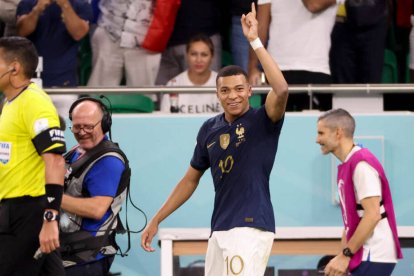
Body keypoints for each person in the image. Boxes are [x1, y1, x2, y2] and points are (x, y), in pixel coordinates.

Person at [141, 4, 289, 275]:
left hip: (250, 227)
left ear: (249, 91)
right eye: (225, 90)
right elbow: (190, 180)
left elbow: (281, 88)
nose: (232, 95)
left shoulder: (263, 120)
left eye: (238, 89)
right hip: (219, 229)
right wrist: (157, 218)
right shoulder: (209, 128)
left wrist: (254, 40)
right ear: (217, 94)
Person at [0, 36, 66, 275]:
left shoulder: (34, 102)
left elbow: (56, 160)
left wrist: (50, 219)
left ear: (14, 67)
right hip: (15, 211)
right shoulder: (11, 103)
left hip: (26, 213)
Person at [316, 108, 403, 275]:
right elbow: (350, 222)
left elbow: (372, 215)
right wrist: (342, 256)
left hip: (374, 254)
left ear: (338, 133)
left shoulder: (362, 165)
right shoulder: (348, 164)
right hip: (364, 255)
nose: (317, 139)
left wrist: (345, 255)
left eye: (321, 133)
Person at [60, 97, 130, 275]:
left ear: (104, 124)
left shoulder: (108, 161)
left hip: (87, 259)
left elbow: (96, 209)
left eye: (88, 127)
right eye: (77, 127)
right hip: (68, 254)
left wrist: (51, 197)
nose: (82, 132)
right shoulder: (75, 152)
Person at [249, 0, 339, 111]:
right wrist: (253, 67)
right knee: (273, 125)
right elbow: (261, 27)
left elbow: (313, 5)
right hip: (276, 70)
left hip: (317, 69)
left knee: (316, 126)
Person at [160, 33, 222, 114]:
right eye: (193, 54)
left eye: (204, 55)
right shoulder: (173, 85)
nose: (198, 60)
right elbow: (165, 121)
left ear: (212, 57)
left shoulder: (223, 83)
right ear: (187, 55)